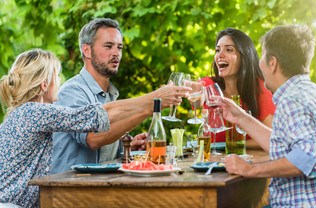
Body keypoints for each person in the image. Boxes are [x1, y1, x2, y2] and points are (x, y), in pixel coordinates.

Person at [0, 49, 187, 208]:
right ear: (44, 84)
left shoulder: (21, 114)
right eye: (57, 75)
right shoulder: (35, 112)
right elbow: (98, 115)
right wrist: (155, 98)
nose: (60, 80)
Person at [221, 25, 316, 207]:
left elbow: (308, 158)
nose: (259, 63)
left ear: (272, 63)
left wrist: (250, 169)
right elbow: (285, 144)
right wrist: (241, 117)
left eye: (262, 55)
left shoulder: (292, 101)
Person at [51, 18, 190, 174]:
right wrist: (154, 101)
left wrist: (127, 147)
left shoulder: (110, 94)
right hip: (68, 189)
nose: (116, 53)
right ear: (87, 50)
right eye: (108, 46)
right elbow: (93, 139)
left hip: (101, 185)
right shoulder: (72, 91)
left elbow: (105, 151)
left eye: (119, 47)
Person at [202, 28, 275, 147]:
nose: (220, 55)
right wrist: (193, 92)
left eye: (229, 50)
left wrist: (234, 145)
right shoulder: (210, 85)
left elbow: (273, 138)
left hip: (251, 162)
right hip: (211, 163)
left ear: (244, 56)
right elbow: (199, 92)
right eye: (217, 50)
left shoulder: (259, 88)